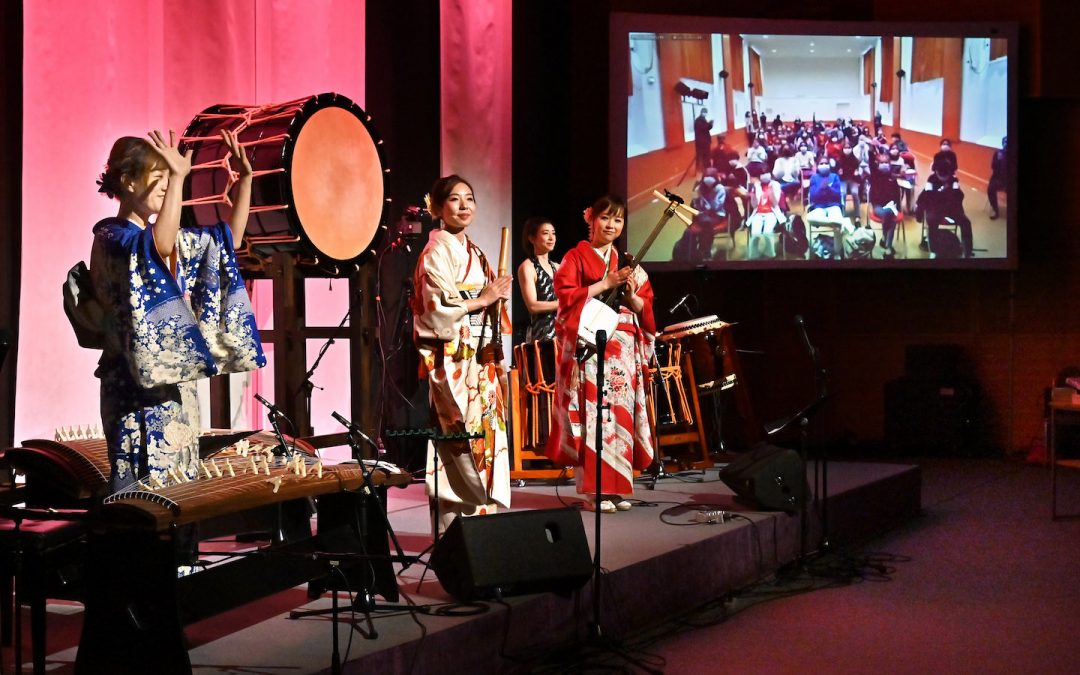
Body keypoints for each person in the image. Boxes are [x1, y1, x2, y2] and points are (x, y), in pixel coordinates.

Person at [89, 130, 265, 494]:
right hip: (133, 388)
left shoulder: (152, 238)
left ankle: (182, 553)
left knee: (181, 485)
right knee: (141, 493)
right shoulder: (112, 237)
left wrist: (246, 180)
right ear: (127, 181)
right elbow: (159, 245)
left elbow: (226, 243)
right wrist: (182, 180)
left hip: (175, 387)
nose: (167, 187)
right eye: (161, 177)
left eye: (171, 178)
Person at [412, 174, 512, 533]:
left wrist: (493, 308)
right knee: (459, 440)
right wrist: (484, 298)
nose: (464, 205)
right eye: (454, 199)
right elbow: (433, 309)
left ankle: (484, 526)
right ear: (438, 209)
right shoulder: (435, 251)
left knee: (486, 434)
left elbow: (489, 311)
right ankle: (454, 531)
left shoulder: (476, 251)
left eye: (469, 198)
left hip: (479, 359)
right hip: (453, 360)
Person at [545, 195, 655, 513]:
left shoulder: (628, 262)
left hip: (622, 349)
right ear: (590, 219)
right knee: (595, 416)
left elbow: (644, 307)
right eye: (605, 218)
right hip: (590, 344)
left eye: (617, 220)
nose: (611, 225)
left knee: (619, 417)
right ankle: (593, 491)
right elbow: (565, 298)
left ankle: (617, 488)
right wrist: (606, 282)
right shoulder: (575, 258)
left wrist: (633, 297)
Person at [915, 161, 974, 258]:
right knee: (931, 220)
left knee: (966, 222)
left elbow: (958, 197)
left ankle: (967, 251)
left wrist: (941, 193)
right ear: (936, 172)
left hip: (951, 208)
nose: (943, 177)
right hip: (935, 208)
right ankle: (934, 250)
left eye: (945, 175)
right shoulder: (931, 180)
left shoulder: (954, 180)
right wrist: (944, 192)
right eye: (940, 174)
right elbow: (929, 197)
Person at [517, 217, 559, 342]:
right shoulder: (528, 267)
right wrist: (562, 305)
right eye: (546, 233)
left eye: (553, 233)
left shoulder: (558, 267)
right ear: (531, 238)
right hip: (543, 336)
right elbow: (532, 306)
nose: (551, 238)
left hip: (564, 334)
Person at [806, 159, 851, 258]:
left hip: (833, 206)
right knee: (809, 218)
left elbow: (837, 195)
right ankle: (841, 221)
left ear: (829, 165)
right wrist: (821, 188)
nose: (824, 165)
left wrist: (828, 188)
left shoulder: (834, 177)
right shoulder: (814, 178)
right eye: (821, 163)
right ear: (818, 166)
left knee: (837, 227)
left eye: (826, 163)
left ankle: (837, 253)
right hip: (819, 207)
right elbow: (813, 196)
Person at [868, 155, 903, 258]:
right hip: (878, 206)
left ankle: (885, 240)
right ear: (878, 164)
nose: (884, 164)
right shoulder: (875, 176)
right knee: (889, 216)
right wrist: (871, 150)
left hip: (891, 206)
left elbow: (897, 195)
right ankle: (888, 246)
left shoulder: (892, 177)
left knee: (889, 214)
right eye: (881, 163)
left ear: (889, 164)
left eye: (886, 163)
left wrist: (898, 209)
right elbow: (871, 164)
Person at [746, 173, 784, 260]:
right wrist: (753, 197)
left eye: (766, 173)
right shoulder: (756, 186)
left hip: (771, 213)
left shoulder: (775, 185)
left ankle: (770, 254)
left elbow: (775, 203)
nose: (764, 176)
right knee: (755, 234)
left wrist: (771, 194)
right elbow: (754, 206)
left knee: (767, 232)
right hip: (758, 214)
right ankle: (753, 255)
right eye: (762, 174)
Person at [988, 136, 1007, 219]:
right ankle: (996, 210)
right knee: (990, 189)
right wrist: (998, 160)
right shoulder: (998, 153)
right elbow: (993, 166)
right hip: (998, 178)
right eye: (1005, 142)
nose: (1006, 144)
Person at [694, 108, 714, 175]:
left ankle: (703, 169)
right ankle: (706, 169)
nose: (705, 113)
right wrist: (710, 124)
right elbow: (705, 128)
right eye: (704, 112)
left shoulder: (701, 119)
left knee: (703, 156)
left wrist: (710, 124)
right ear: (702, 112)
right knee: (705, 155)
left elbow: (706, 128)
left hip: (702, 141)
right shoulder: (699, 120)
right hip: (703, 142)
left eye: (706, 112)